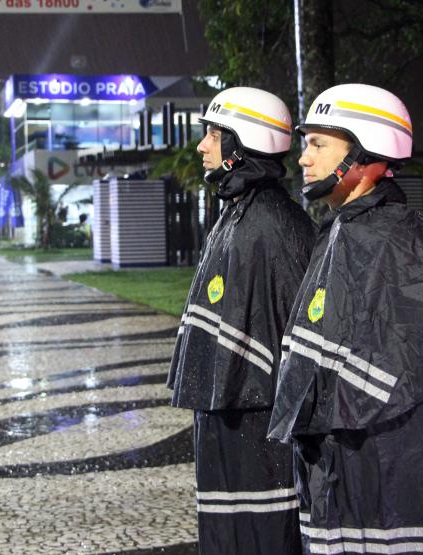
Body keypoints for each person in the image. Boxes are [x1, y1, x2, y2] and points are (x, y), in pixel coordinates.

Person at [268, 84, 423, 554]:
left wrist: (319, 417)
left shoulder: (398, 239)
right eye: (306, 145)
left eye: (319, 144)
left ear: (365, 154)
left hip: (394, 475)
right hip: (354, 472)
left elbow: (400, 370)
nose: (304, 159)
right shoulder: (346, 228)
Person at [167, 87, 315, 554]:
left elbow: (303, 345)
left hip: (262, 433)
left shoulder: (275, 224)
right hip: (228, 422)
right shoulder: (236, 213)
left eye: (214, 135)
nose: (202, 146)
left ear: (242, 143)